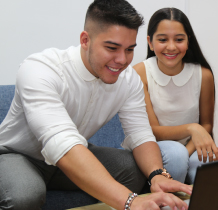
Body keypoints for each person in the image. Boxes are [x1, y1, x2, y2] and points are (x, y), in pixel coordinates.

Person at [0, 0, 192, 210]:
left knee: (135, 170)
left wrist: (156, 174)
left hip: (71, 153)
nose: (122, 60)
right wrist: (131, 201)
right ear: (85, 40)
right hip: (18, 155)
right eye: (112, 48)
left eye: (129, 49)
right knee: (25, 195)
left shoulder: (128, 79)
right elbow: (61, 143)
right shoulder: (40, 69)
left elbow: (140, 135)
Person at [133, 7, 218, 184]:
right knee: (175, 155)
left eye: (179, 39)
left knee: (208, 163)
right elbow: (152, 131)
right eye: (163, 40)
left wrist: (187, 151)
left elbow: (206, 125)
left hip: (191, 146)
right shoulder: (140, 73)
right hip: (153, 145)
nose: (171, 47)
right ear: (150, 42)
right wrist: (191, 128)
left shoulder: (203, 75)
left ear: (188, 41)